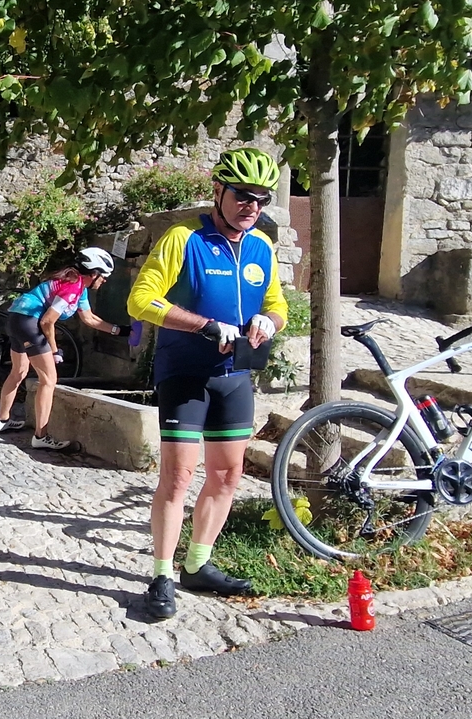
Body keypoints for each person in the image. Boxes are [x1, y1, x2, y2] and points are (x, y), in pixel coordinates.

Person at [127, 147, 288, 619]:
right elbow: (141, 301)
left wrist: (270, 322)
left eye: (262, 198)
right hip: (185, 373)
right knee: (178, 477)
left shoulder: (262, 247)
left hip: (235, 377)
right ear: (218, 191)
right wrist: (205, 326)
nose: (252, 206)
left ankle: (198, 564)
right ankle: (161, 575)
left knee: (227, 475)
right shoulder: (185, 238)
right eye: (243, 195)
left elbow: (277, 303)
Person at [0, 247, 130, 449]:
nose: (104, 281)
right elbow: (47, 321)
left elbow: (89, 319)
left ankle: (2, 421)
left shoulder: (78, 287)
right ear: (93, 273)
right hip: (29, 323)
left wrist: (121, 331)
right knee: (49, 380)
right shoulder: (73, 286)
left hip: (16, 319)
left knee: (19, 371)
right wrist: (54, 350)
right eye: (103, 276)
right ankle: (41, 437)